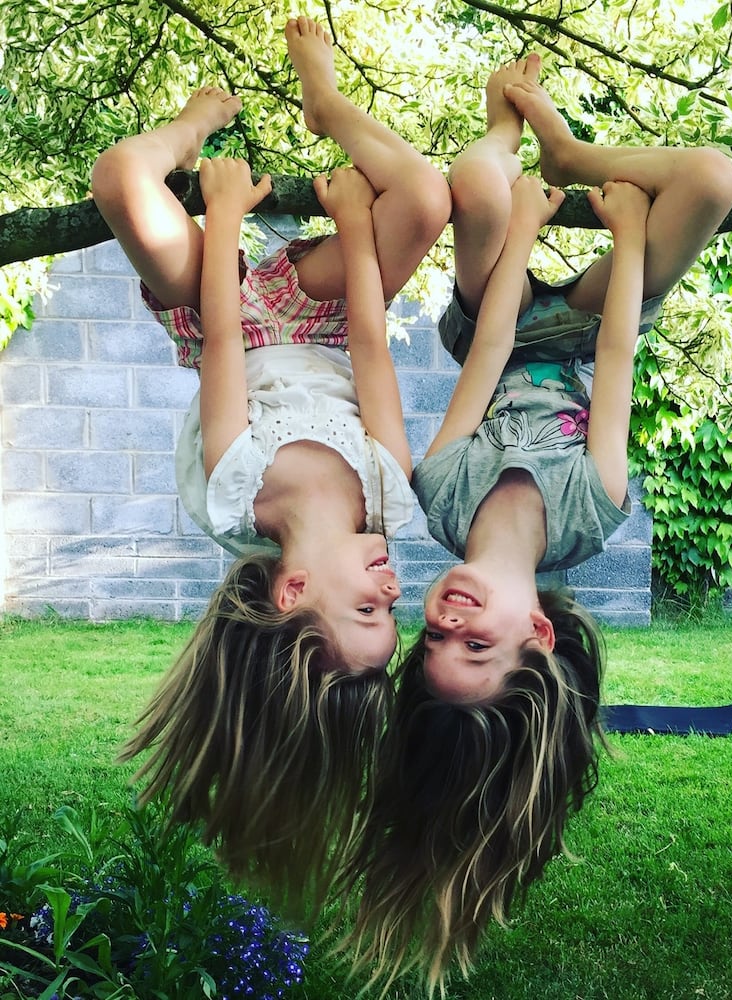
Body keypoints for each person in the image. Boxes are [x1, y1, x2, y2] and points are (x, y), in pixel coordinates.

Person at [337, 54, 732, 990]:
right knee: (711, 178)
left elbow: (484, 354)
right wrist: (628, 239)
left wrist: (519, 231)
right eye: (476, 647)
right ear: (539, 633)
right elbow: (615, 366)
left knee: (479, 183)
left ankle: (515, 133)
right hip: (599, 320)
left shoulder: (442, 492)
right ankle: (571, 148)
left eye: (433, 637)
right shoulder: (591, 513)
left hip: (501, 316)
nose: (448, 617)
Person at [93, 16, 450, 918]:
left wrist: (221, 217)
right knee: (427, 200)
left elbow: (219, 339)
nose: (395, 588)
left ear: (292, 593)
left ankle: (191, 122)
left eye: (368, 609)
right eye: (393, 614)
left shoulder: (234, 493)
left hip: (226, 321)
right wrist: (356, 228)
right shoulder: (387, 498)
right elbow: (369, 344)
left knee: (121, 180)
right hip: (323, 322)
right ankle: (326, 101)